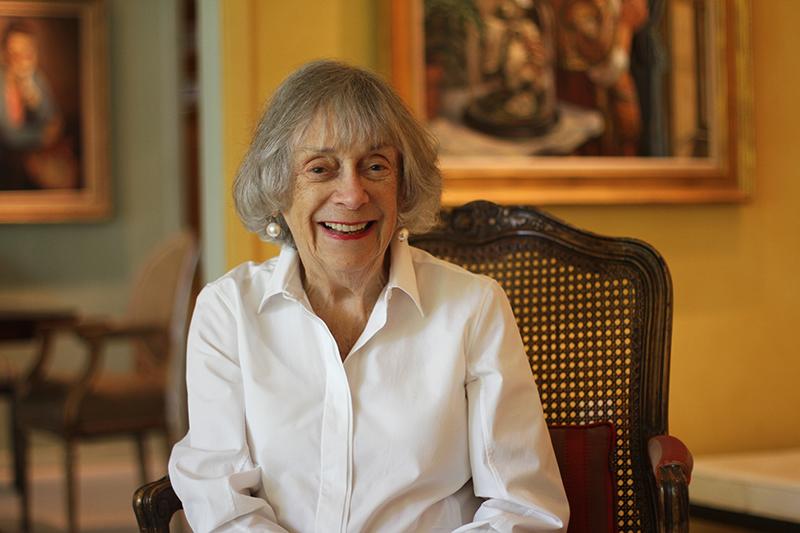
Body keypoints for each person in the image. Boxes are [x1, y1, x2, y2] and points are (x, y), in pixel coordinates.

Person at [168, 58, 569, 533]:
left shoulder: (473, 308)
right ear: (278, 189)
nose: (352, 194)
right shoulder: (227, 311)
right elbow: (220, 499)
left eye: (375, 166)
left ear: (403, 185)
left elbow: (523, 506)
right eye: (321, 168)